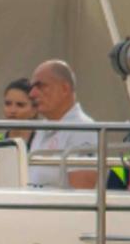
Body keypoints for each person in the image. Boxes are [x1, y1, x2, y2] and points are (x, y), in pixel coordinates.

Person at [27, 60, 99, 189]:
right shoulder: (42, 129)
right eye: (32, 87)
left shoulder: (83, 130)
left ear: (65, 89)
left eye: (40, 86)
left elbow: (82, 196)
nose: (32, 94)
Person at [0, 77, 37, 146]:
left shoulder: (43, 143)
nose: (12, 110)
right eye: (8, 104)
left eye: (20, 105)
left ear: (34, 110)